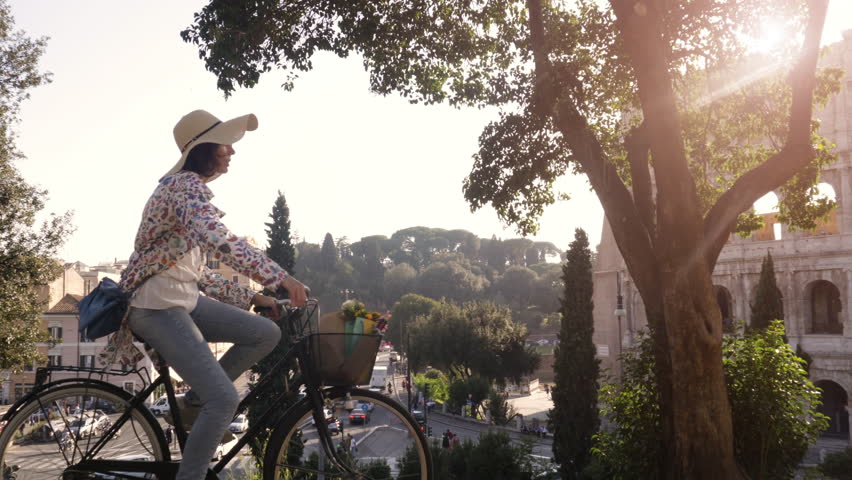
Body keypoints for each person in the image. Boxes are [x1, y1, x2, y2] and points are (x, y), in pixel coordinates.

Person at [114, 110, 308, 480]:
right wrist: (280, 278)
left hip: (183, 301)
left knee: (265, 333)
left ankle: (192, 404)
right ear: (203, 149)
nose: (232, 151)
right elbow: (220, 239)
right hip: (156, 307)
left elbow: (198, 272)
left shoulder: (186, 191)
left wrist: (253, 298)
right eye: (225, 144)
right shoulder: (182, 188)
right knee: (224, 399)